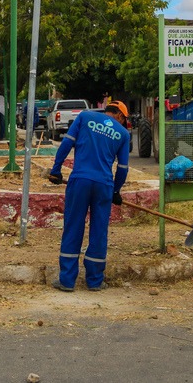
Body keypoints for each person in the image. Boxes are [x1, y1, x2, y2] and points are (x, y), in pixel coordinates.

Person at [48, 101, 130, 292]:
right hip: (104, 185)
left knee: (73, 227)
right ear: (119, 115)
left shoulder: (85, 117)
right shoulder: (123, 134)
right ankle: (94, 281)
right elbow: (123, 168)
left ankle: (67, 281)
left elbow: (67, 142)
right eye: (124, 119)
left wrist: (56, 170)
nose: (124, 123)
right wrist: (115, 190)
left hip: (80, 181)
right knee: (99, 231)